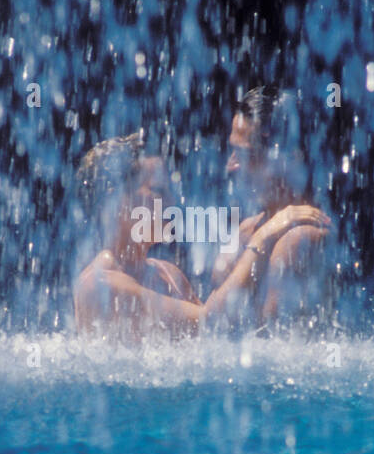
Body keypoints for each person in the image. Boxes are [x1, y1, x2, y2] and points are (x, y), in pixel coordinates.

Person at [73, 130, 329, 341]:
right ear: (116, 201)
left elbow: (225, 339)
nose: (172, 202)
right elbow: (211, 325)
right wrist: (264, 238)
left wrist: (239, 247)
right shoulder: (98, 284)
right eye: (159, 191)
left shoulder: (168, 274)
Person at [211, 86, 335, 325]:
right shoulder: (252, 228)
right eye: (232, 151)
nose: (231, 166)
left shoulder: (302, 236)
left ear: (288, 158)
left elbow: (266, 345)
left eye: (245, 154)